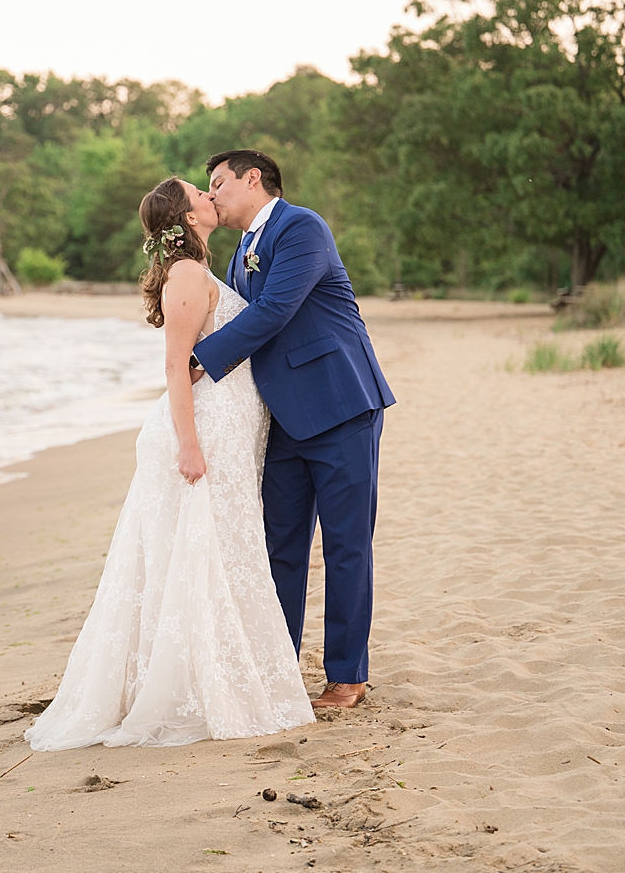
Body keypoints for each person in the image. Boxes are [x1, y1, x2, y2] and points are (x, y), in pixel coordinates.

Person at [24, 176, 314, 750]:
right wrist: (188, 443)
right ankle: (194, 691)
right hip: (199, 431)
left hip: (228, 430)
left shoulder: (205, 270)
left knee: (220, 552)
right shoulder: (186, 276)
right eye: (200, 194)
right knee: (200, 553)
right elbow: (176, 366)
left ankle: (217, 678)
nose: (211, 197)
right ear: (186, 218)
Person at [192, 149, 394, 709]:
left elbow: (275, 310)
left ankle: (347, 676)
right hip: (280, 420)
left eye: (218, 184)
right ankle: (278, 669)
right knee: (280, 546)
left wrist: (199, 361)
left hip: (339, 407)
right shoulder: (239, 253)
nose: (212, 197)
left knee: (347, 544)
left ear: (252, 179)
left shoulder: (301, 227)